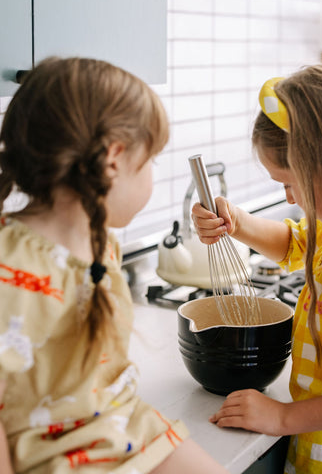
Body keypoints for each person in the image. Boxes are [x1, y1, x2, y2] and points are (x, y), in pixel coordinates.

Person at [0, 57, 229, 474]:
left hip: (128, 430)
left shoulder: (101, 245)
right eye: (152, 161)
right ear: (113, 159)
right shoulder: (10, 268)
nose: (152, 176)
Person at [192, 65, 322, 474]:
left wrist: (282, 418)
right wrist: (236, 221)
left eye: (289, 182)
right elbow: (298, 244)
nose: (290, 197)